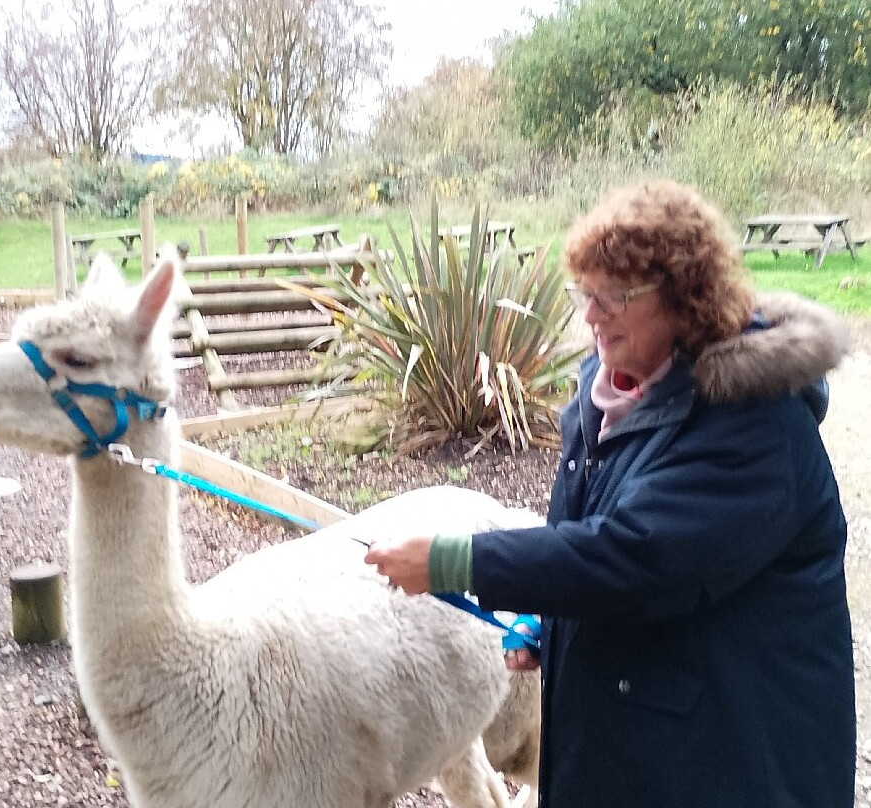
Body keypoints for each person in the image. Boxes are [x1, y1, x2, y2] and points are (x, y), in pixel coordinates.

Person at [365, 180, 855, 807]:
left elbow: (636, 560)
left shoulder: (753, 422)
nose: (591, 315)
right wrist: (552, 621)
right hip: (648, 736)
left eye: (614, 296)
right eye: (584, 293)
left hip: (731, 757)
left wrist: (452, 561)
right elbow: (594, 535)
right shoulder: (612, 393)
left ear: (686, 297)